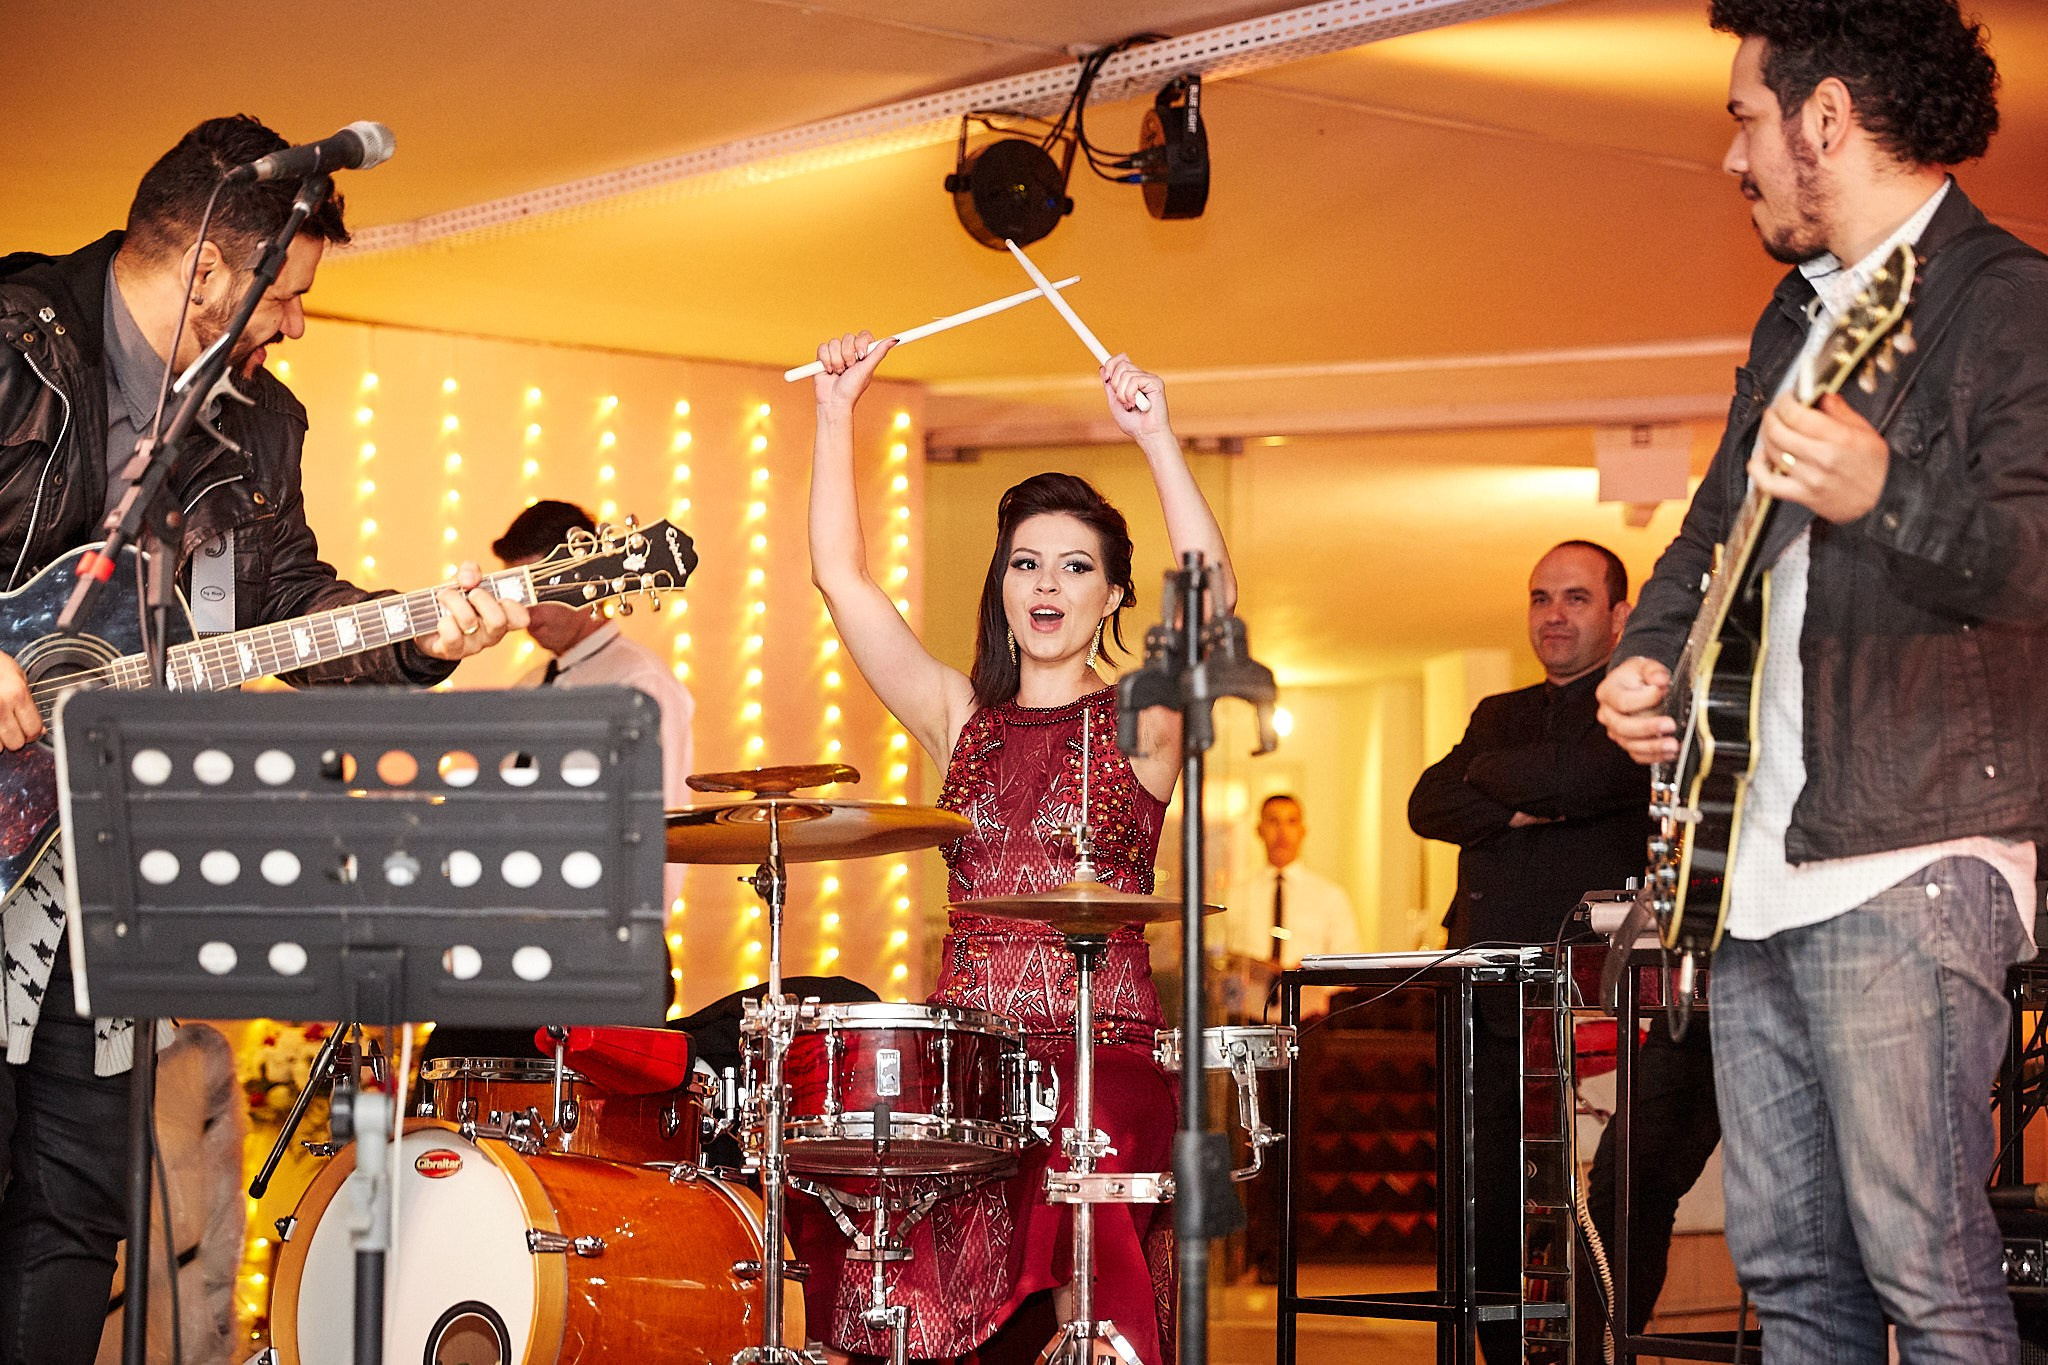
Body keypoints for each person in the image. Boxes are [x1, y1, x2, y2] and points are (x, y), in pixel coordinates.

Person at [0, 116, 524, 1364]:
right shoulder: (16, 342)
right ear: (203, 275)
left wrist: (420, 640)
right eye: (284, 296)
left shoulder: (259, 428)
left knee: (75, 1201)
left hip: (95, 856)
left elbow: (290, 603)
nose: (294, 325)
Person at [1596, 4, 2046, 1358]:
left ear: (1826, 118)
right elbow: (1705, 540)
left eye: (1747, 117)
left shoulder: (2008, 300)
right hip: (1752, 865)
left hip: (1910, 855)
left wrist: (1884, 493)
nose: (1735, 157)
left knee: (1931, 1273)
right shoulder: (1797, 315)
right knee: (1790, 1278)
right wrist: (1643, 659)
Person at [799, 328, 1233, 1364]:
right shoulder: (961, 718)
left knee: (1083, 1111)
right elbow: (840, 581)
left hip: (1104, 1051)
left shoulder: (1143, 720)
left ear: (1115, 594)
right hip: (972, 1065)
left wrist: (1158, 435)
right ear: (1002, 583)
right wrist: (832, 411)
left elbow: (1211, 609)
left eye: (1075, 566)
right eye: (1026, 562)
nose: (1046, 583)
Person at [1412, 541, 1716, 1364]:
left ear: (1620, 616)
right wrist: (1522, 792)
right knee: (1489, 1198)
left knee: (1610, 1195)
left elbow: (1592, 776)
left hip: (1606, 1000)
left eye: (1576, 598)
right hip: (1490, 997)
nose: (1554, 614)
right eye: (1542, 596)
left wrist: (1498, 785)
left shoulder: (1641, 708)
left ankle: (1590, 1353)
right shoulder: (1496, 711)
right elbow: (1428, 801)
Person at [1222, 794, 1357, 969]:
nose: (1282, 831)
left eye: (1291, 822)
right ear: (1259, 830)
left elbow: (1348, 965)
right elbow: (1221, 958)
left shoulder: (1331, 897)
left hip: (1307, 994)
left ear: (1303, 831)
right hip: (1251, 994)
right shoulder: (1236, 895)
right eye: (1273, 821)